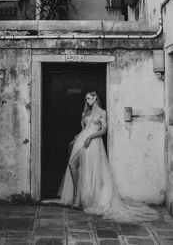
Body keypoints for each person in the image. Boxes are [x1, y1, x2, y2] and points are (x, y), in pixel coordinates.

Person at [58, 91, 159, 223]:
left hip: (93, 142)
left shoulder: (102, 112)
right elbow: (83, 129)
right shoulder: (85, 113)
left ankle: (82, 200)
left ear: (95, 98)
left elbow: (103, 130)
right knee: (72, 164)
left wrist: (90, 137)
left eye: (89, 98)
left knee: (90, 169)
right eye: (86, 99)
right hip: (82, 140)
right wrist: (80, 133)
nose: (87, 101)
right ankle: (76, 196)